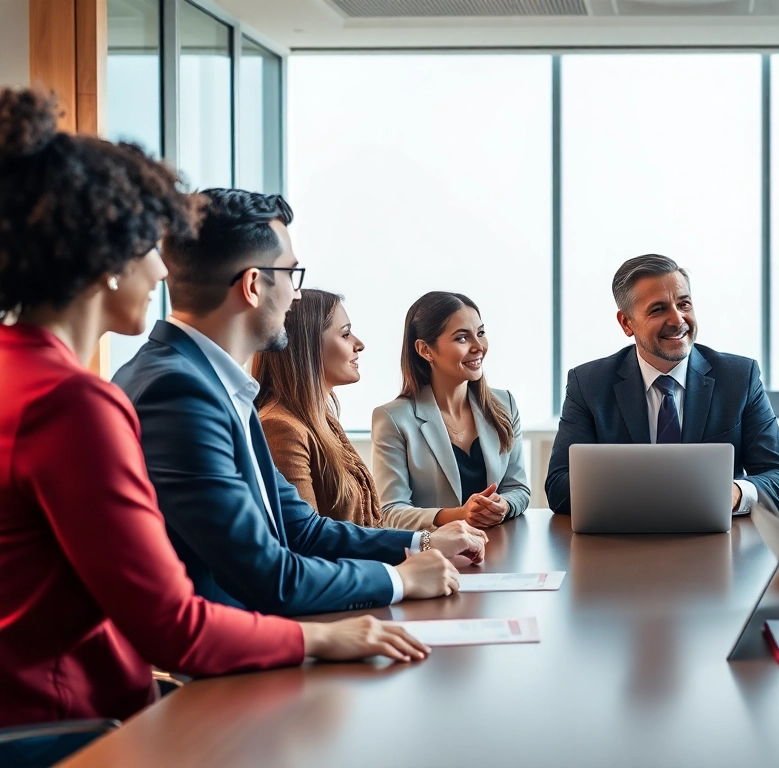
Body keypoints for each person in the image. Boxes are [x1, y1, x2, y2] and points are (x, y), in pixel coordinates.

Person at [0, 88, 429, 748]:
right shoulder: (72, 403)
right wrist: (326, 636)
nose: (160, 269)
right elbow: (173, 625)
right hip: (71, 729)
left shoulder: (20, 376)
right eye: (149, 248)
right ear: (110, 263)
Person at [113, 189, 487, 618]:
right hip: (230, 662)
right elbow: (268, 577)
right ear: (254, 284)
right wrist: (400, 579)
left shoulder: (212, 383)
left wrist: (420, 542)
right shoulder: (179, 392)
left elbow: (300, 528)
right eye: (292, 274)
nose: (295, 296)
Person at [546, 254, 779, 516]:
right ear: (626, 323)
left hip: (717, 544)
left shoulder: (738, 377)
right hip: (623, 542)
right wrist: (651, 491)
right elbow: (558, 487)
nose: (678, 320)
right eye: (658, 309)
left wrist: (736, 493)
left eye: (684, 304)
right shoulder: (588, 384)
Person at [371, 292, 529, 530]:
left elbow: (518, 489)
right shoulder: (393, 419)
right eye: (462, 338)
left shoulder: (505, 403)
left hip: (499, 550)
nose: (479, 347)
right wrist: (459, 515)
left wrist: (504, 506)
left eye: (481, 333)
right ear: (425, 350)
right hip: (435, 554)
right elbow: (391, 512)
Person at [254, 288, 382, 526]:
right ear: (308, 344)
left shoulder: (321, 417)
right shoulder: (280, 427)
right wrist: (423, 543)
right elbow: (307, 540)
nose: (359, 344)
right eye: (345, 335)